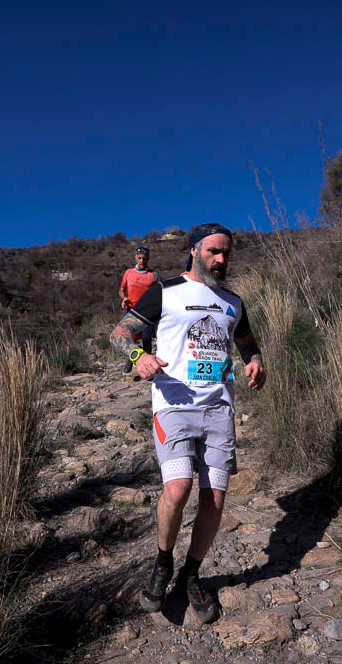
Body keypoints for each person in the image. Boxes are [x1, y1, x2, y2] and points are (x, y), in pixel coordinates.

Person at [110, 223, 266, 623]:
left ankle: (191, 574)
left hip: (219, 409)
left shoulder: (233, 301)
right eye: (214, 251)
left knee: (214, 499)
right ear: (194, 250)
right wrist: (137, 358)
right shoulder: (164, 291)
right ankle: (163, 562)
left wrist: (254, 360)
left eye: (227, 253)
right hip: (174, 404)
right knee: (178, 490)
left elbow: (246, 341)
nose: (221, 259)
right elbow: (121, 332)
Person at [119, 246, 159, 372]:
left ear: (148, 259)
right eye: (139, 258)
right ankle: (130, 359)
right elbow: (121, 290)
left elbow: (161, 291)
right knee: (130, 337)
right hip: (132, 310)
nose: (142, 261)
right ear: (135, 258)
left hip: (148, 311)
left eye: (144, 259)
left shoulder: (153, 275)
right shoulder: (128, 273)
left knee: (147, 338)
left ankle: (148, 368)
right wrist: (124, 298)